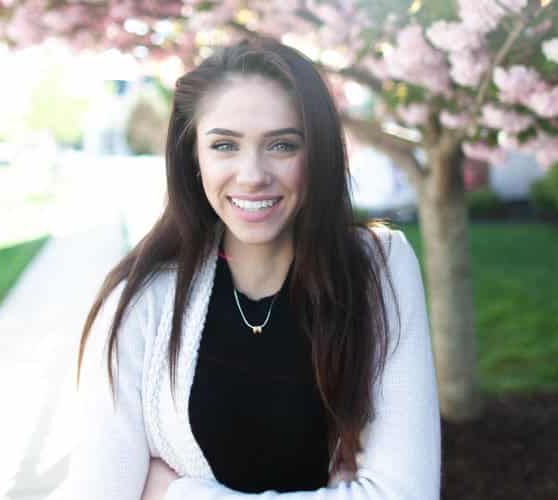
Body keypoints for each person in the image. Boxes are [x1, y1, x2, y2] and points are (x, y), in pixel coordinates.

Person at [65, 37, 440, 500]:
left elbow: (406, 495)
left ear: (319, 152)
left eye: (282, 145)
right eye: (224, 145)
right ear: (192, 157)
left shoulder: (377, 270)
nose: (252, 174)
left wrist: (178, 494)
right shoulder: (141, 299)